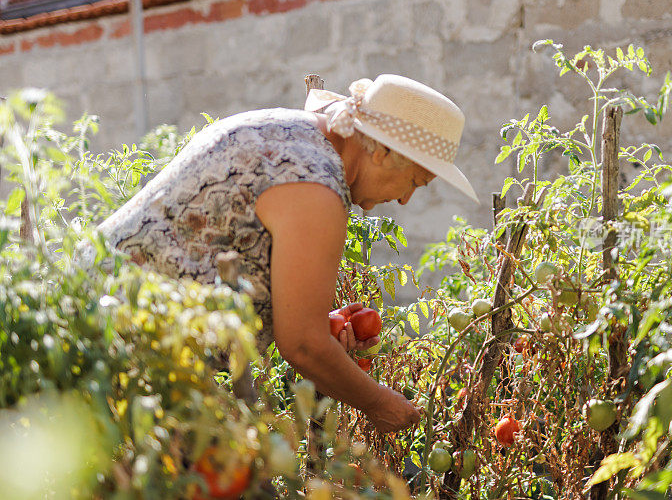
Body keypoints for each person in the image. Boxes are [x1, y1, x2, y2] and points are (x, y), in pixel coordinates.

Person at [92, 74, 479, 433]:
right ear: (380, 151)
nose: (406, 198)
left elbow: (221, 242)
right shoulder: (316, 184)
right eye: (415, 180)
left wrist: (303, 314)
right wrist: (379, 403)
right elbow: (304, 345)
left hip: (103, 316)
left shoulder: (299, 136)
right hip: (115, 346)